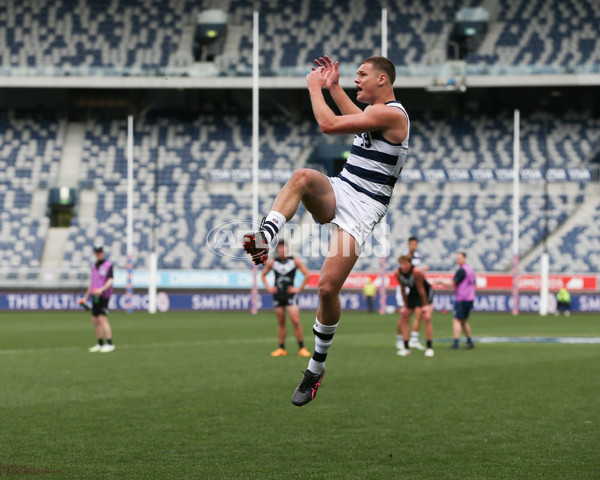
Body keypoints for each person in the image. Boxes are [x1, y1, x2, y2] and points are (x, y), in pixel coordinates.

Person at [243, 54, 409, 406]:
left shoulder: (393, 114)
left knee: (326, 289)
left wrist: (315, 88)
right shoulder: (375, 116)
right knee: (302, 176)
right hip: (343, 188)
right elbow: (359, 120)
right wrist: (332, 86)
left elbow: (329, 124)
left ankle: (315, 368)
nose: (356, 79)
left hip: (364, 208)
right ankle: (265, 239)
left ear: (383, 80)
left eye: (362, 75)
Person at [261, 240, 312, 357]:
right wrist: (269, 288)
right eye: (280, 248)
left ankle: (302, 348)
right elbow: (263, 275)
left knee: (296, 321)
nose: (282, 250)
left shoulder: (294, 261)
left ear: (287, 249)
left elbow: (307, 274)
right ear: (278, 249)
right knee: (281, 322)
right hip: (278, 295)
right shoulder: (273, 262)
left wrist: (298, 289)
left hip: (290, 295)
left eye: (283, 248)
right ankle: (281, 348)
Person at [394, 236, 429, 351]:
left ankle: (414, 339)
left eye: (416, 244)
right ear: (409, 245)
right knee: (404, 315)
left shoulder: (418, 256)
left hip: (414, 289)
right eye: (412, 244)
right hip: (405, 289)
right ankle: (400, 339)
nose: (414, 246)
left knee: (419, 314)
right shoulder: (405, 257)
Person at [395, 255, 434, 357]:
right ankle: (406, 348)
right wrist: (405, 306)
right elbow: (403, 289)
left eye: (405, 264)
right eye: (401, 264)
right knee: (404, 316)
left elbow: (421, 289)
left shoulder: (416, 272)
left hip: (425, 292)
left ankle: (429, 348)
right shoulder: (398, 273)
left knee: (426, 317)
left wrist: (425, 305)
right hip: (412, 292)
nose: (403, 266)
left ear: (410, 263)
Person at [79, 245, 115, 353]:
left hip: (103, 296)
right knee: (94, 319)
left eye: (100, 252)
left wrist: (102, 289)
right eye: (96, 252)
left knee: (102, 318)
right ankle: (100, 343)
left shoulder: (108, 265)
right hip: (95, 296)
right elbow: (92, 283)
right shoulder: (94, 266)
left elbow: (111, 280)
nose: (98, 254)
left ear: (103, 253)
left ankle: (109, 343)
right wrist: (86, 297)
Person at [442, 252, 476, 350]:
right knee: (464, 320)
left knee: (456, 320)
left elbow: (453, 283)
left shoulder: (461, 271)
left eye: (460, 258)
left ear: (464, 258)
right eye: (457, 258)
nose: (458, 260)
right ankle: (469, 341)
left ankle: (456, 343)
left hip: (462, 298)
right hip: (470, 298)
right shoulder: (471, 270)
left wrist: (441, 282)